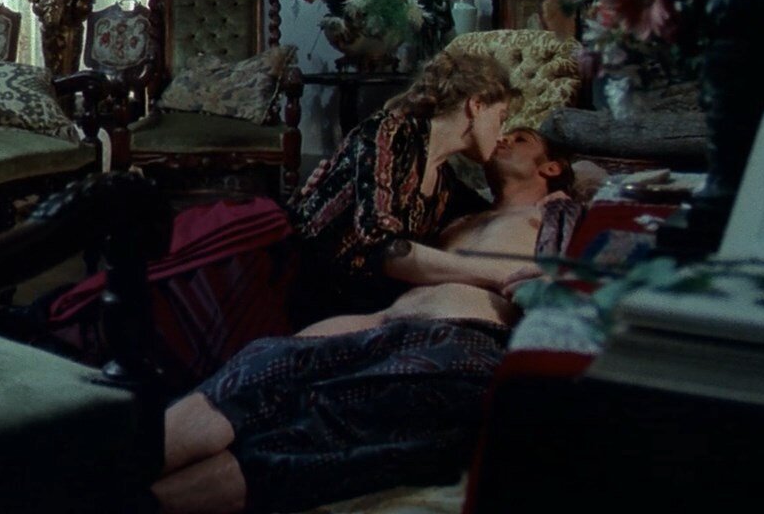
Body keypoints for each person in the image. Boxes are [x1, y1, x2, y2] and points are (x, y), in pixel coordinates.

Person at [152, 128, 578, 514]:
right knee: (259, 364)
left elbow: (581, 276)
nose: (503, 138)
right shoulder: (462, 214)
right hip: (379, 324)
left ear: (551, 167)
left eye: (521, 138)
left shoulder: (555, 214)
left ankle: (141, 502)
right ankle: (119, 473)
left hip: (461, 339)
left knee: (306, 430)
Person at [286, 50, 542, 328]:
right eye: (501, 118)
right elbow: (384, 248)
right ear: (476, 105)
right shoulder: (389, 133)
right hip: (289, 278)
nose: (501, 134)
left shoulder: (445, 183)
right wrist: (499, 274)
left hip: (345, 304)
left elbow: (490, 217)